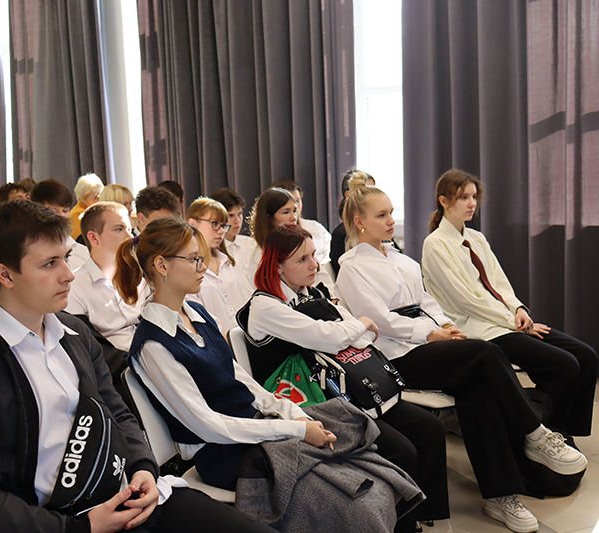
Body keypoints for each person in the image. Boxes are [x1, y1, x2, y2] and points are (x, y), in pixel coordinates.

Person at [0, 200, 276, 533]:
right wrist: (82, 527)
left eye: (65, 258)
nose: (68, 275)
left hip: (132, 498)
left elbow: (117, 413)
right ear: (5, 274)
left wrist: (142, 469)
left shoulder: (74, 333)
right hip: (65, 523)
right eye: (49, 264)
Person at [116, 217, 422, 533]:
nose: (202, 267)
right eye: (194, 259)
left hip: (259, 430)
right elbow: (210, 426)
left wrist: (292, 413)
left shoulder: (198, 315)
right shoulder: (153, 345)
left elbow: (242, 381)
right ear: (161, 265)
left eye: (201, 258)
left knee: (369, 453)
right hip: (227, 454)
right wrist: (295, 429)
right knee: (356, 502)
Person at [333, 184, 588, 533]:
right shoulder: (352, 267)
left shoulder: (402, 260)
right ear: (360, 222)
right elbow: (378, 320)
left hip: (429, 344)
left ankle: (501, 496)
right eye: (382, 215)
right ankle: (535, 433)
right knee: (484, 352)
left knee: (477, 391)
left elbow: (427, 302)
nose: (391, 220)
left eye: (391, 212)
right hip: (398, 357)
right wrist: (430, 333)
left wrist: (446, 325)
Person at [239, 223, 450, 529]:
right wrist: (358, 324)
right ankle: (401, 525)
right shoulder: (264, 306)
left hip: (346, 389)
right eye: (302, 260)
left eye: (314, 255)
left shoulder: (310, 293)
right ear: (277, 266)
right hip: (311, 404)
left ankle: (422, 515)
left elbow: (361, 339)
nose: (314, 265)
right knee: (402, 449)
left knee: (430, 428)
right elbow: (332, 337)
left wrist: (351, 329)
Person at [421, 169, 597, 439]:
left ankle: (559, 429)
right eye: (463, 197)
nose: (472, 203)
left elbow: (499, 284)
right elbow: (466, 300)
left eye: (474, 197)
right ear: (444, 201)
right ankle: (537, 428)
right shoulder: (435, 245)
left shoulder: (476, 238)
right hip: (479, 328)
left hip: (505, 322)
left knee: (585, 356)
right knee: (564, 364)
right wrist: (513, 323)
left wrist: (519, 310)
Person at [66, 202, 146, 352]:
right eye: (119, 229)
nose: (129, 237)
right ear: (94, 238)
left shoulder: (137, 276)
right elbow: (89, 348)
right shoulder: (74, 287)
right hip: (119, 362)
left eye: (129, 229)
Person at [185, 197, 253, 334]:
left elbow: (250, 303)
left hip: (247, 339)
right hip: (218, 343)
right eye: (215, 224)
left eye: (223, 226)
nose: (221, 231)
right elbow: (197, 320)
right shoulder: (186, 269)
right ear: (192, 223)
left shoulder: (229, 262)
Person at [30, 179, 89, 271]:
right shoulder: (29, 252)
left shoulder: (84, 254)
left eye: (65, 211)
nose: (61, 216)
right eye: (53, 211)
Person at [270, 179, 332, 266]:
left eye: (297, 201)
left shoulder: (316, 227)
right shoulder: (269, 242)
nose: (295, 207)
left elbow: (330, 256)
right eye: (286, 211)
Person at [245, 187, 298, 287]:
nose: (293, 217)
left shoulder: (296, 245)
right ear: (270, 218)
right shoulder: (261, 256)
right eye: (286, 212)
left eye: (294, 211)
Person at [329, 169, 375, 275]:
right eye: (368, 192)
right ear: (348, 195)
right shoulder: (340, 235)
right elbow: (344, 274)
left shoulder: (378, 227)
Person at [210, 187, 256, 277]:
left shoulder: (251, 244)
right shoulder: (212, 249)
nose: (237, 220)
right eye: (230, 216)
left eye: (239, 214)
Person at [70, 173, 104, 239]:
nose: (98, 201)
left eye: (100, 197)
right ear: (83, 197)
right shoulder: (76, 214)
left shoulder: (94, 210)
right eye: (95, 197)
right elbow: (82, 239)